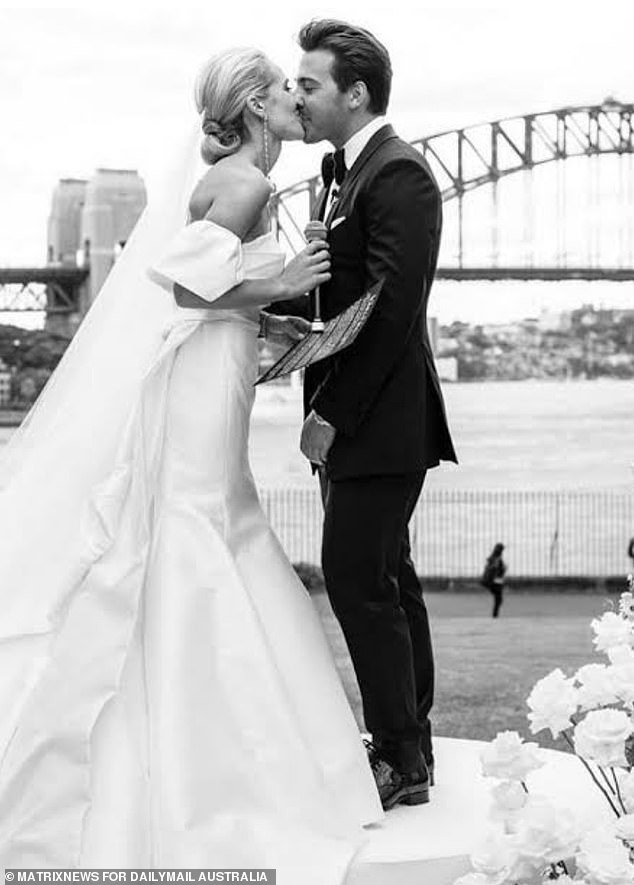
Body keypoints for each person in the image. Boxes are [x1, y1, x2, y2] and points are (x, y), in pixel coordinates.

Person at [0, 49, 382, 875]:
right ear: (251, 104)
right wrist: (280, 282)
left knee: (215, 517)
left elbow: (211, 290)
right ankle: (204, 759)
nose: (295, 98)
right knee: (202, 522)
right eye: (284, 87)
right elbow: (182, 287)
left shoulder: (241, 179)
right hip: (205, 381)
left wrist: (273, 306)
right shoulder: (242, 182)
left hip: (218, 369)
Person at [273, 19, 457, 811]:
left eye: (308, 84)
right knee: (388, 577)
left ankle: (399, 758)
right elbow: (338, 295)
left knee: (356, 580)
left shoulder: (399, 175)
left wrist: (332, 417)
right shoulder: (343, 171)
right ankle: (408, 742)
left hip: (379, 421)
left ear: (356, 93)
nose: (295, 95)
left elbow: (388, 313)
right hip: (364, 420)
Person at [481, 543, 507, 618]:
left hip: (494, 581)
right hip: (496, 581)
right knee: (499, 599)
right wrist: (503, 569)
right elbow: (496, 569)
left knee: (498, 599)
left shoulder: (493, 557)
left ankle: (495, 615)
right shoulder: (497, 558)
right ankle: (495, 615)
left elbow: (491, 567)